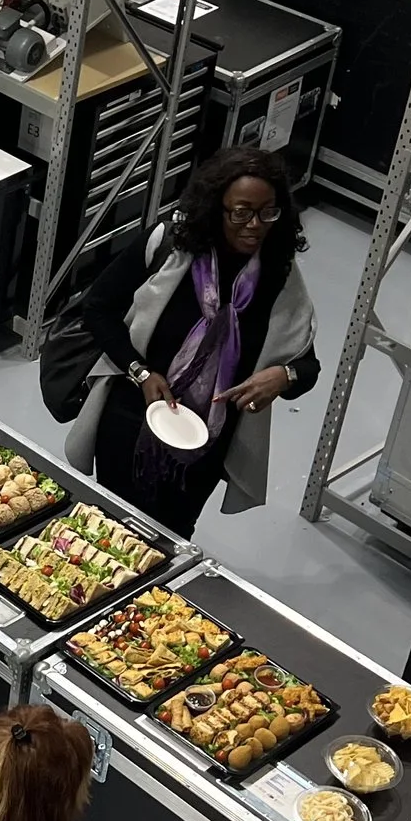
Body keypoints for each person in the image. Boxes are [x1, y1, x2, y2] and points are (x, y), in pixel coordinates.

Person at [65, 146, 322, 537]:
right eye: (241, 212)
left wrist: (282, 376)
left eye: (268, 212)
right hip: (132, 417)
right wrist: (140, 371)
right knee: (107, 527)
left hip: (204, 440)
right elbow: (98, 310)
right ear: (215, 208)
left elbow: (307, 366)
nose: (255, 224)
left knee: (171, 538)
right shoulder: (169, 249)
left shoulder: (278, 278)